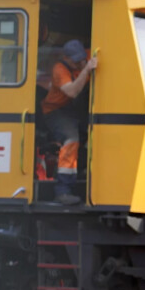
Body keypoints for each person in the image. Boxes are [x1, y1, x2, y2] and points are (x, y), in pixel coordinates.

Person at [41, 39, 97, 205]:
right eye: (76, 61)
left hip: (73, 110)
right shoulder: (59, 69)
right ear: (66, 58)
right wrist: (86, 70)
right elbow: (72, 92)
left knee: (91, 135)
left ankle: (80, 173)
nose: (80, 63)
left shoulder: (88, 56)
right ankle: (63, 190)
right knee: (71, 139)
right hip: (54, 111)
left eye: (82, 59)